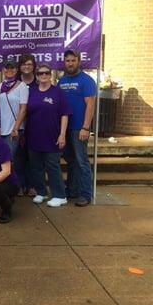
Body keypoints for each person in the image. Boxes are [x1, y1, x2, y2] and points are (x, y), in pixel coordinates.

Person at [27, 64, 72, 207]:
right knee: (36, 166)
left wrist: (62, 134)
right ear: (37, 76)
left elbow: (65, 114)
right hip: (34, 136)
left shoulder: (57, 92)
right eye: (40, 73)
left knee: (52, 166)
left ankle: (60, 195)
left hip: (52, 136)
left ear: (50, 75)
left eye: (46, 73)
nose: (44, 75)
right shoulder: (32, 92)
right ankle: (42, 192)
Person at [58, 50, 96, 207]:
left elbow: (90, 105)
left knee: (81, 161)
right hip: (65, 128)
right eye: (67, 61)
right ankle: (72, 190)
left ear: (79, 61)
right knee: (71, 160)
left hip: (79, 128)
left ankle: (85, 194)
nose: (70, 63)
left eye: (73, 60)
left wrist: (86, 127)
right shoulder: (62, 81)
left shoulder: (86, 80)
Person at [0, 57, 29, 195]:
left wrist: (16, 127)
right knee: (2, 161)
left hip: (14, 130)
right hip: (0, 130)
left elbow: (23, 109)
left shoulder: (22, 86)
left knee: (11, 160)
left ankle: (15, 187)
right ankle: (5, 187)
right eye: (7, 68)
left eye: (12, 68)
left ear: (16, 70)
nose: (9, 70)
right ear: (3, 70)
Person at [17, 54, 38, 196]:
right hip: (17, 125)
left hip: (35, 124)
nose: (26, 67)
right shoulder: (16, 84)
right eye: (24, 64)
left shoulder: (38, 83)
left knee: (33, 157)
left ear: (33, 67)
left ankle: (32, 186)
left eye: (29, 64)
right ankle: (20, 185)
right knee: (19, 156)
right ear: (20, 67)